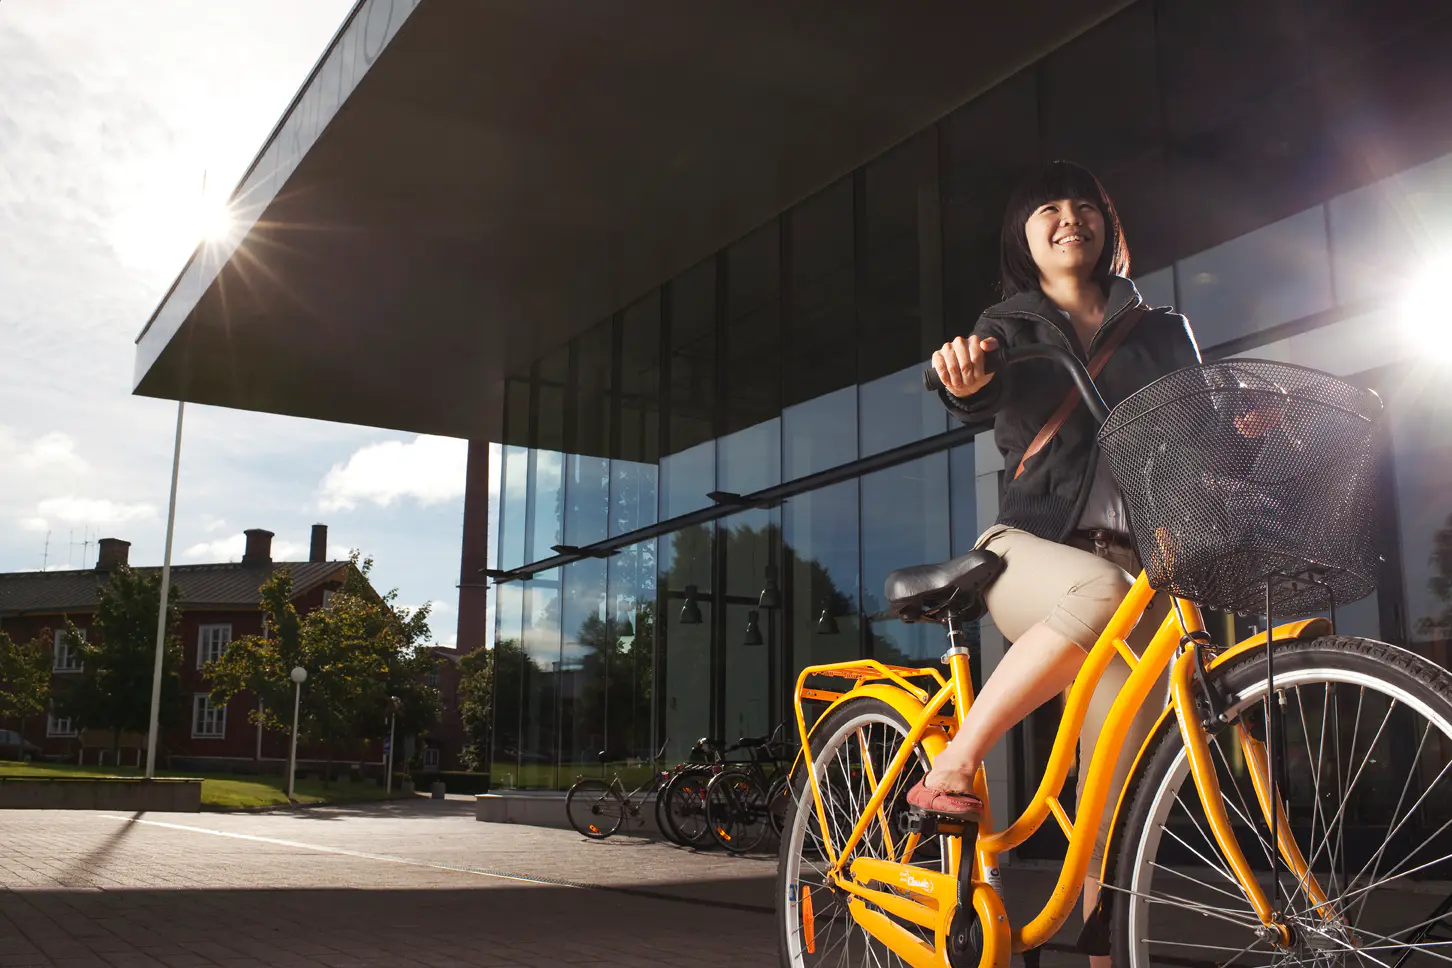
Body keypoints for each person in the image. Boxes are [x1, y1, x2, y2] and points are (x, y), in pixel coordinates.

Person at [906, 160, 1201, 961]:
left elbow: (1198, 430)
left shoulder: (1162, 332)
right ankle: (955, 763)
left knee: (1118, 784)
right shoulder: (1008, 326)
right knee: (1098, 584)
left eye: (1085, 206)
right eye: (1049, 210)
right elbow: (974, 386)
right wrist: (962, 375)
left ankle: (1106, 952)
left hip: (1136, 580)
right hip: (1026, 554)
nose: (1070, 217)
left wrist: (1236, 436)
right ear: (1024, 236)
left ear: (1107, 223)